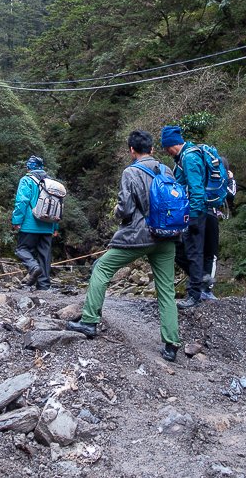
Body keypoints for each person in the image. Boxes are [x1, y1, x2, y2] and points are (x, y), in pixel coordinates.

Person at [66, 130, 181, 362]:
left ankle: (89, 321)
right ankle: (171, 344)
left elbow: (126, 209)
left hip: (140, 236)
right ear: (152, 148)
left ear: (131, 150)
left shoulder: (131, 172)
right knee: (167, 290)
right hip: (168, 236)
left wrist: (117, 211)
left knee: (102, 268)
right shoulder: (166, 170)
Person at [160, 124, 207, 309]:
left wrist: (194, 215)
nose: (166, 151)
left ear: (171, 145)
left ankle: (195, 295)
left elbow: (196, 189)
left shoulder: (189, 158)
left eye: (166, 148)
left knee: (193, 252)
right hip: (187, 213)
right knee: (180, 249)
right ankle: (201, 279)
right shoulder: (183, 157)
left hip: (195, 213)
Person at [10, 155, 59, 290]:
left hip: (29, 225)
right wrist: (55, 227)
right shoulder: (52, 183)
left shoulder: (26, 180)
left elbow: (22, 201)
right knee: (45, 256)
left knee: (22, 249)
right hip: (48, 225)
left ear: (29, 167)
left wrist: (16, 221)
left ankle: (33, 267)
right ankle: (43, 287)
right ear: (42, 167)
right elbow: (57, 206)